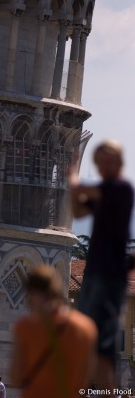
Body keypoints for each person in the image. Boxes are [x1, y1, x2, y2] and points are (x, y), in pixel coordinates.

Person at [69, 140, 134, 393]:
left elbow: (81, 188)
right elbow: (78, 210)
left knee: (103, 347)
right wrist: (74, 189)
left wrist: (73, 173)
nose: (104, 165)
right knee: (87, 341)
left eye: (109, 160)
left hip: (109, 277)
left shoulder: (121, 188)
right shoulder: (106, 193)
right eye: (100, 160)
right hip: (95, 274)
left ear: (119, 162)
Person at [10, 265, 97, 398]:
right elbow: (86, 379)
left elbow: (15, 378)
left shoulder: (26, 326)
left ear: (32, 293)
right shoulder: (86, 326)